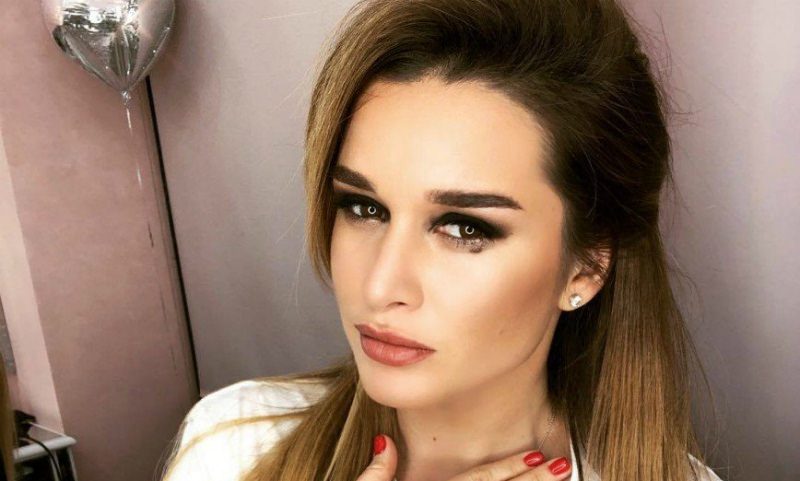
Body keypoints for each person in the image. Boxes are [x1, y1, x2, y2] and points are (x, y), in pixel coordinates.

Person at [160, 0, 725, 480]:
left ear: (586, 266)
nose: (380, 286)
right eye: (364, 208)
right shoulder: (232, 449)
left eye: (463, 228)